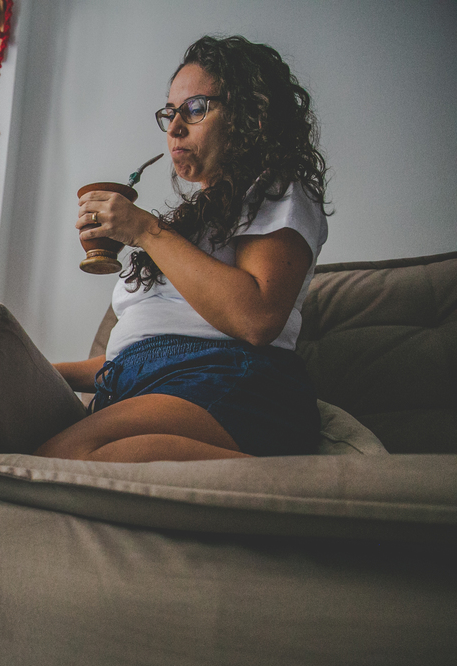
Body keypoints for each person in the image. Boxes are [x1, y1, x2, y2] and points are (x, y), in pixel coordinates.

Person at [39, 35, 329, 462]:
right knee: (31, 447)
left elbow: (258, 318)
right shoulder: (189, 228)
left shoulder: (276, 189)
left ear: (250, 115)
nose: (174, 128)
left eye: (195, 109)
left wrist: (144, 230)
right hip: (135, 382)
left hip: (226, 378)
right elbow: (130, 352)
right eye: (171, 112)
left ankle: (295, 487)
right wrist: (38, 371)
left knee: (64, 458)